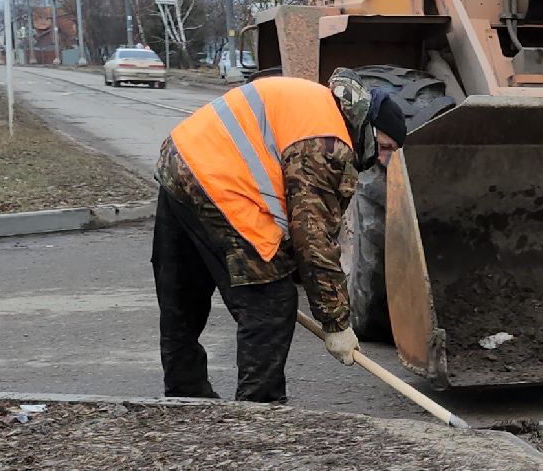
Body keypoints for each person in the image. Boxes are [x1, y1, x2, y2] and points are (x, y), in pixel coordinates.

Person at [151, 68, 408, 403]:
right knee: (271, 305)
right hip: (220, 187)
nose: (383, 159)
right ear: (369, 128)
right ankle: (260, 413)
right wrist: (335, 323)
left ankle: (184, 396)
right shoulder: (329, 142)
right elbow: (314, 241)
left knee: (182, 295)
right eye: (386, 146)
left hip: (179, 164)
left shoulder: (318, 103)